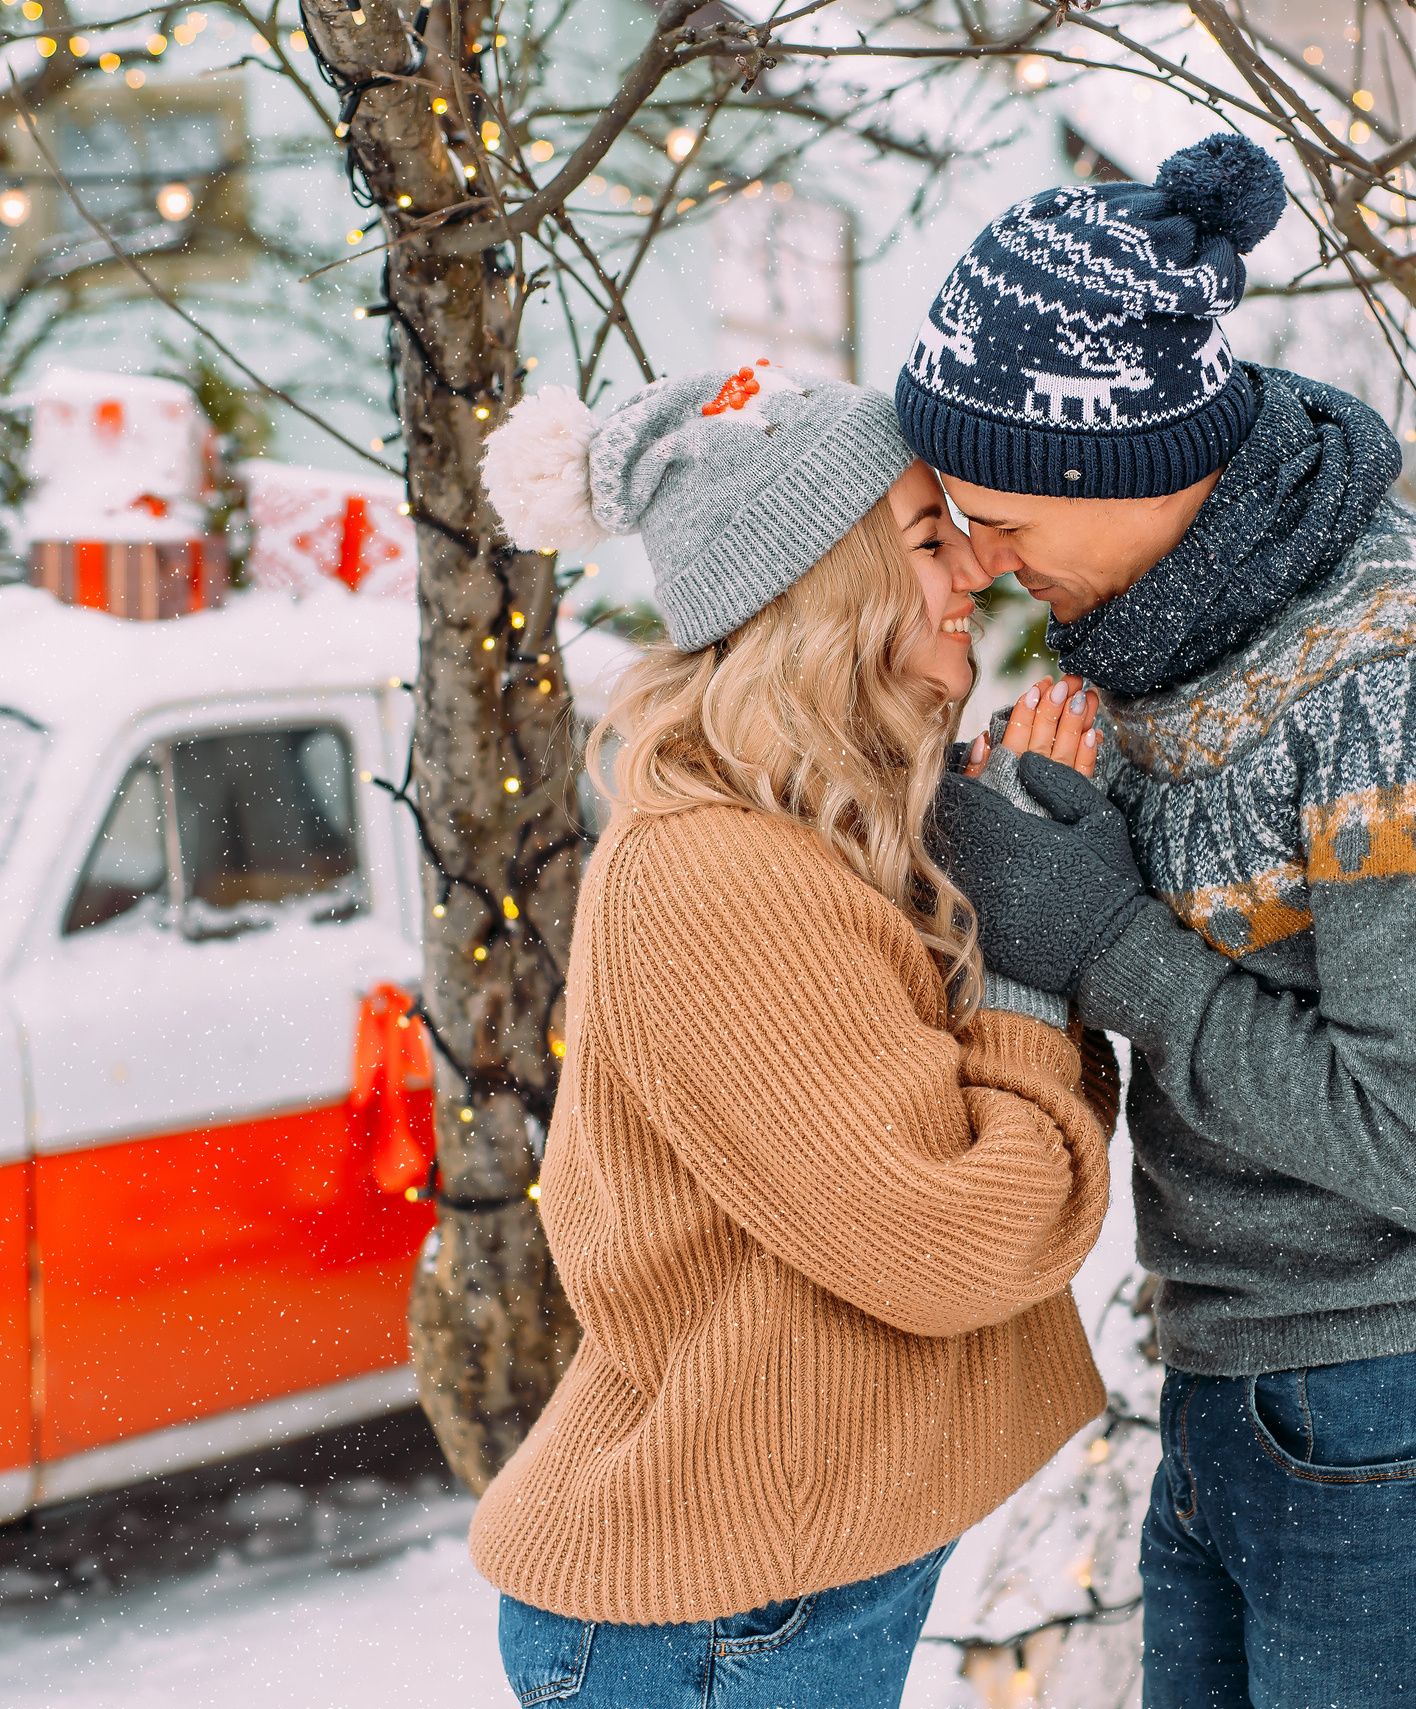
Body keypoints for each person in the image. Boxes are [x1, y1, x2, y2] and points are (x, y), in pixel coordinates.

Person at [912, 135, 1416, 1708]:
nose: (983, 563)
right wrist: (1070, 856)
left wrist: (1105, 936)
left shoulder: (1402, 664)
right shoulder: (1172, 633)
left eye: (1000, 519)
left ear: (1120, 465)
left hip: (1410, 1389)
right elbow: (1219, 958)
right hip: (1249, 1375)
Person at [465, 364, 1116, 1708]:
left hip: (760, 1587)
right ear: (826, 589)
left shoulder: (811, 839)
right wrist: (1027, 971)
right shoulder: (722, 878)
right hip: (710, 1627)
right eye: (927, 540)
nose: (974, 573)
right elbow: (960, 1240)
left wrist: (1012, 896)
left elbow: (962, 1132)